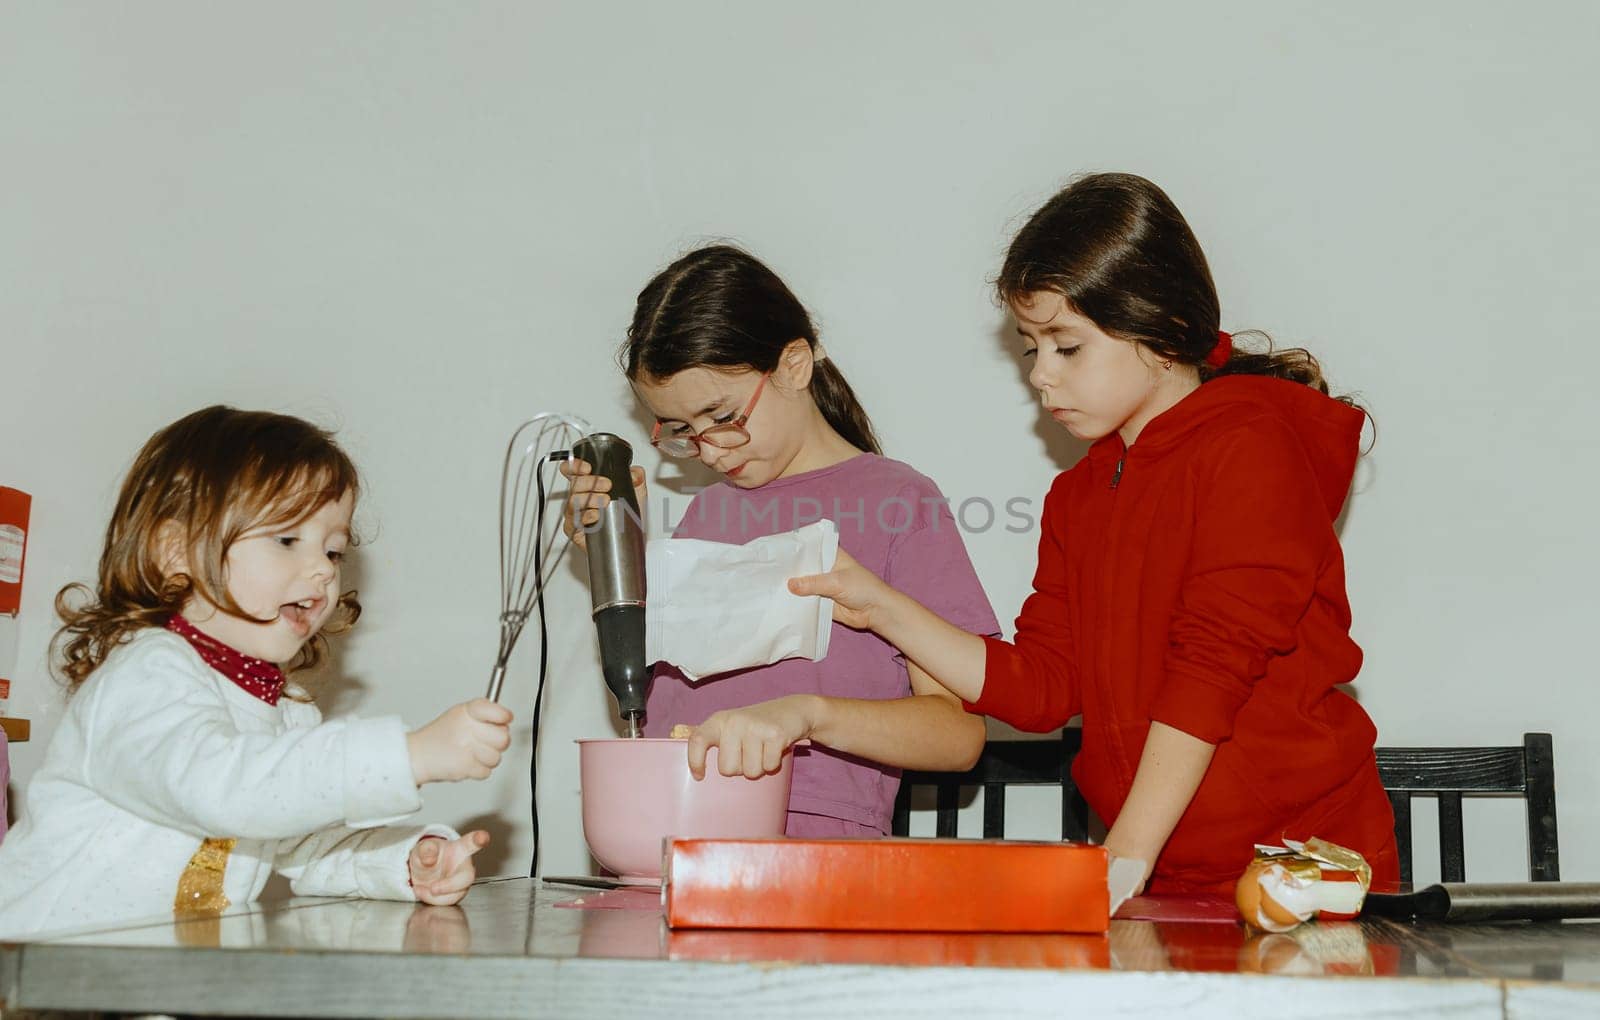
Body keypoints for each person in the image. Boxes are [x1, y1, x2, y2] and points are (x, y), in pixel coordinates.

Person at [790, 173, 1399, 893]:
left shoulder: (1250, 444)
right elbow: (1044, 688)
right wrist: (883, 607)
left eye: (1066, 347)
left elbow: (1212, 667)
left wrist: (1125, 856)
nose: (1042, 378)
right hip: (1168, 870)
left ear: (1160, 331)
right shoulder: (1078, 493)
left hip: (1300, 863)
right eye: (1030, 349)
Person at [0, 406, 512, 937]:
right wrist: (408, 755)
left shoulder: (285, 710)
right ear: (176, 551)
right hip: (42, 981)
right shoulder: (145, 673)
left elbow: (307, 844)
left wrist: (406, 862)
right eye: (288, 540)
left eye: (333, 551)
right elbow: (223, 787)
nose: (321, 569)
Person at [565, 245, 999, 838]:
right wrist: (621, 560)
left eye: (721, 416)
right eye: (682, 432)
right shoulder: (704, 515)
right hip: (666, 834)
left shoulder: (899, 502)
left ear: (794, 365)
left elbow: (958, 734)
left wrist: (807, 717)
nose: (711, 450)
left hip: (816, 860)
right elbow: (649, 712)